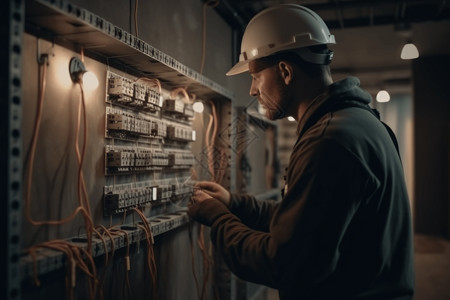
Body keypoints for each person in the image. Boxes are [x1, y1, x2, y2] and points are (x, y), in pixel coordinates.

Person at [188, 4, 415, 299]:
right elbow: (302, 223)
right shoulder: (360, 124)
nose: (252, 90)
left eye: (255, 75)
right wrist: (233, 203)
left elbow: (284, 263)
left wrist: (218, 218)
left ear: (285, 71)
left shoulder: (329, 142)